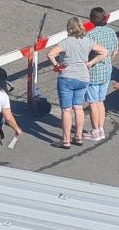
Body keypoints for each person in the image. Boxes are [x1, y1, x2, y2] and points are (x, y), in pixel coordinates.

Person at [47, 18, 108, 148]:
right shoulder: (87, 41)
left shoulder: (66, 42)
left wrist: (57, 66)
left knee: (66, 110)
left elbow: (50, 54)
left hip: (67, 77)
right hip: (83, 78)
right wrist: (90, 63)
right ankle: (79, 136)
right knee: (78, 107)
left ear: (69, 28)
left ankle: (66, 140)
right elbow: (104, 52)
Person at [85, 7, 118, 142]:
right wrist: (108, 61)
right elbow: (115, 51)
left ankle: (95, 130)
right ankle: (101, 129)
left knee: (93, 103)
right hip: (106, 71)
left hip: (93, 72)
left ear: (92, 19)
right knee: (100, 101)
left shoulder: (90, 35)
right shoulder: (111, 32)